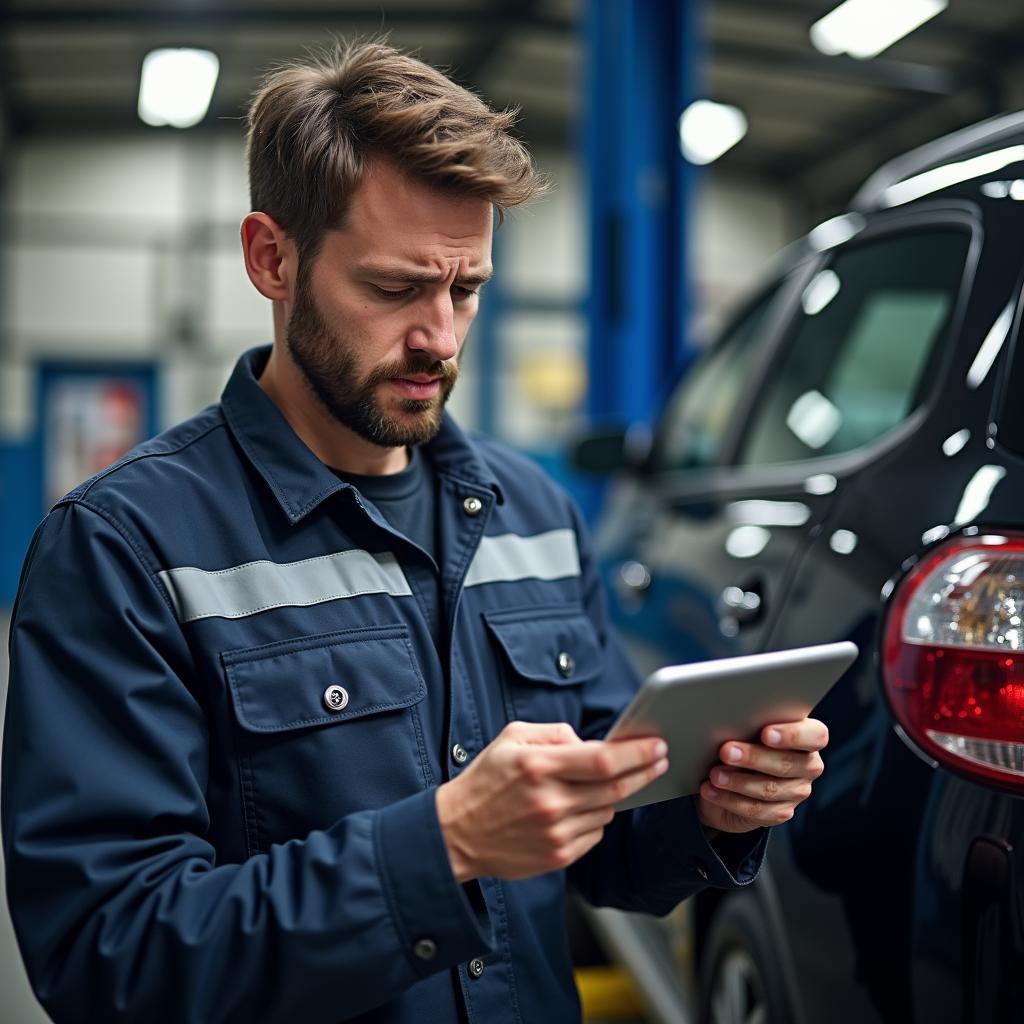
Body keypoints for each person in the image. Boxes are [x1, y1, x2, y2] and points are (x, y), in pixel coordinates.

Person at [2, 39, 828, 1024]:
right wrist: (436, 851)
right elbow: (109, 955)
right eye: (395, 288)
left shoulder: (537, 516)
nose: (440, 336)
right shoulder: (126, 548)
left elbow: (604, 850)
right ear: (272, 258)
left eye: (466, 289)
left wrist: (710, 808)